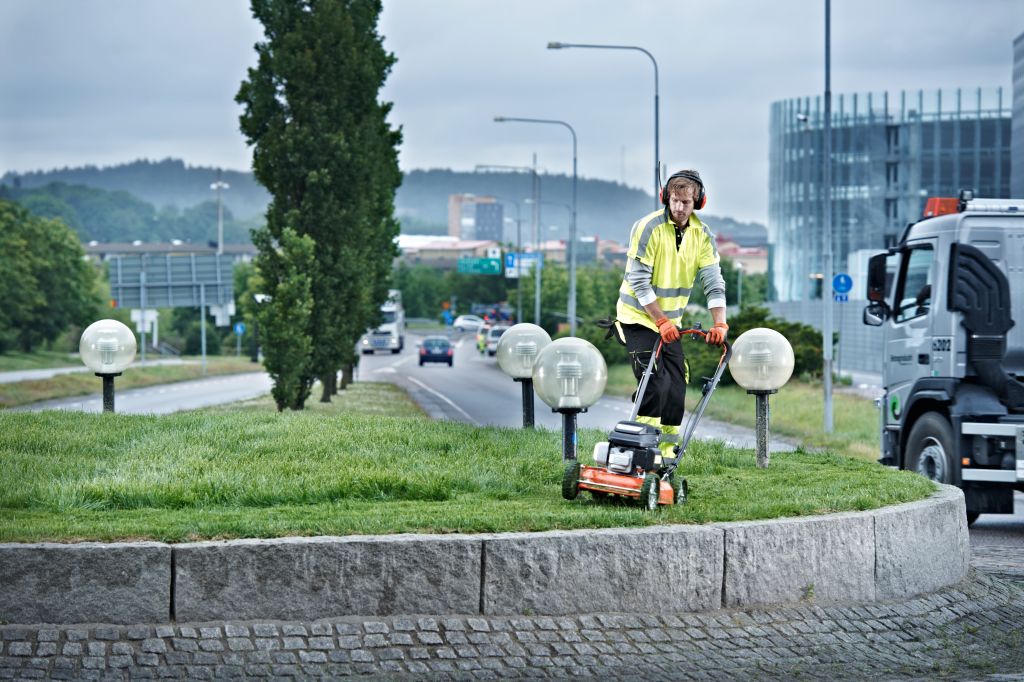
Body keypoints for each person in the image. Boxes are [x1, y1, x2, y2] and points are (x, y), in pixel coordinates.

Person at [613, 169, 728, 467]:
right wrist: (660, 321)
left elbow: (713, 282)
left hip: (670, 323)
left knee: (677, 383)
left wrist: (720, 323)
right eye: (675, 200)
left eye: (686, 202)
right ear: (666, 197)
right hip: (638, 317)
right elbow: (639, 281)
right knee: (655, 382)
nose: (679, 208)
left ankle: (665, 454)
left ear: (698, 202)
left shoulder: (702, 236)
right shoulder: (648, 228)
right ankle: (640, 450)